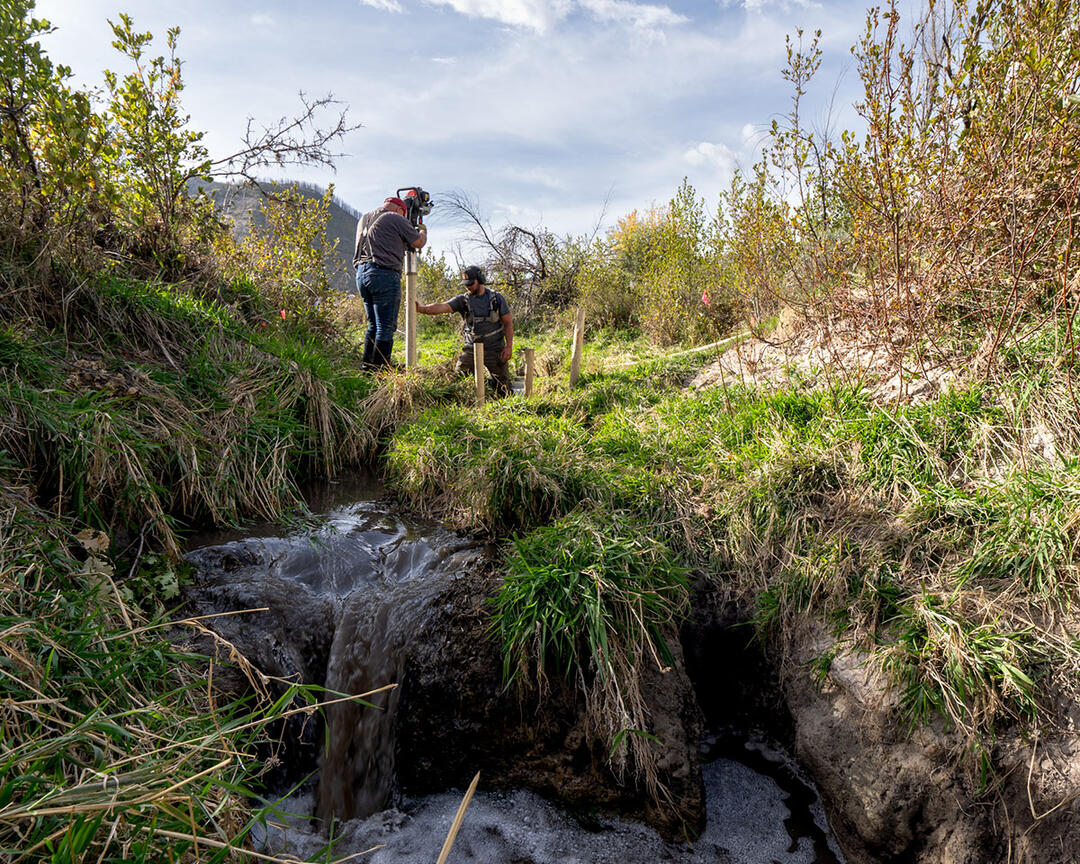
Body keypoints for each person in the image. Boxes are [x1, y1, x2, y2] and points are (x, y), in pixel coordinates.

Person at [352, 196, 427, 368]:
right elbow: (418, 242)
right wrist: (422, 230)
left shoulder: (364, 218)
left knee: (373, 325)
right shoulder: (394, 218)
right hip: (383, 274)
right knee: (385, 327)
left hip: (361, 274)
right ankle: (380, 371)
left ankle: (367, 368)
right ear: (400, 210)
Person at [415, 265, 514, 395]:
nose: (468, 287)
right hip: (471, 349)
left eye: (471, 283)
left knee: (503, 388)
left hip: (495, 349)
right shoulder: (462, 300)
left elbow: (508, 323)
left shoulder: (497, 298)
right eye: (465, 284)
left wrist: (509, 347)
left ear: (480, 280)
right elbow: (442, 307)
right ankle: (469, 405)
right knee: (459, 381)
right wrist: (421, 309)